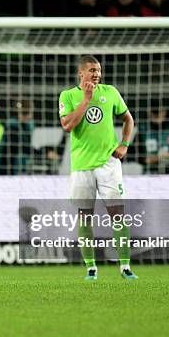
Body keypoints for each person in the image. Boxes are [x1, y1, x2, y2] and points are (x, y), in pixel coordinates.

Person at [59, 55, 137, 281]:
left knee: (118, 215)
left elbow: (128, 119)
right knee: (84, 217)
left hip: (109, 164)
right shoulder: (68, 95)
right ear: (81, 73)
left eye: (99, 70)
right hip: (82, 166)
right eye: (92, 70)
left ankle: (125, 267)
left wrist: (124, 144)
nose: (97, 74)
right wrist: (86, 99)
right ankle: (91, 268)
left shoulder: (110, 92)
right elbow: (67, 125)